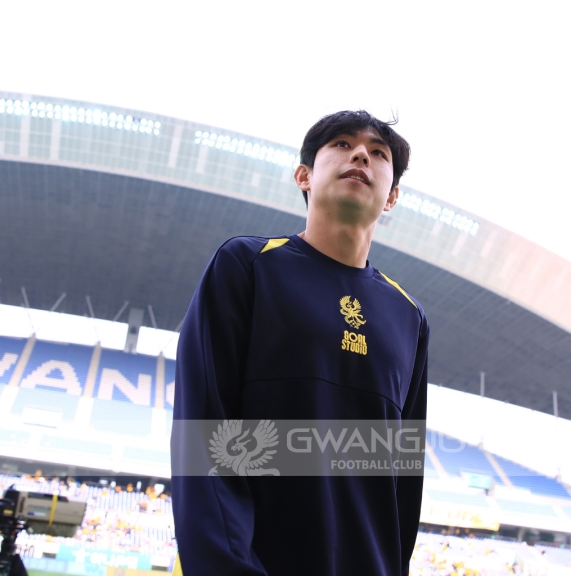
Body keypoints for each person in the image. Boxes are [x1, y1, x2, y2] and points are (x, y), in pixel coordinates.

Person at [171, 111, 429, 575]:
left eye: (378, 153)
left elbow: (402, 485)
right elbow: (204, 431)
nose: (360, 155)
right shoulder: (247, 265)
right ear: (304, 175)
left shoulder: (409, 316)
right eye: (342, 144)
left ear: (392, 197)